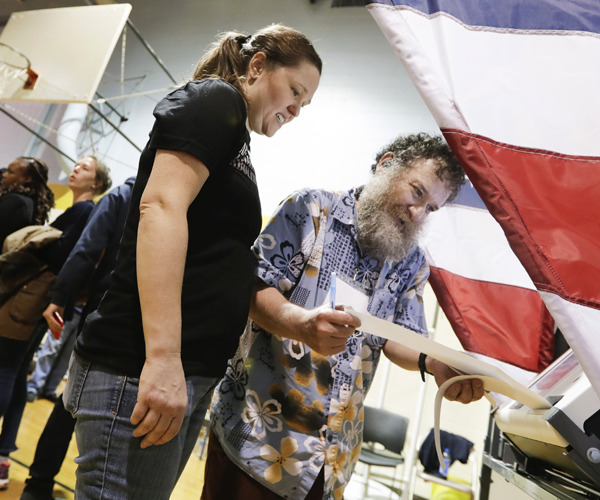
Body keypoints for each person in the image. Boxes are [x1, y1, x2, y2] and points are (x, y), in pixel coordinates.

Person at [64, 24, 322, 500]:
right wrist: (162, 359)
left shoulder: (236, 137)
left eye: (304, 104)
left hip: (187, 370)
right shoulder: (215, 101)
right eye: (295, 91)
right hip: (139, 363)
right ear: (258, 65)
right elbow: (160, 208)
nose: (295, 110)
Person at [202, 133, 485, 500]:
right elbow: (252, 288)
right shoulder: (311, 210)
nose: (418, 213)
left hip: (332, 457)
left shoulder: (411, 262)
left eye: (431, 208)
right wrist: (300, 325)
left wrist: (432, 362)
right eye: (417, 192)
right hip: (258, 435)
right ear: (386, 165)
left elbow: (398, 339)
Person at [18, 177, 135, 500]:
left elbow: (87, 249)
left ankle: (38, 483)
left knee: (72, 398)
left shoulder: (123, 195)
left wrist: (59, 297)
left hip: (106, 309)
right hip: (144, 320)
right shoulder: (184, 201)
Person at [0, 155, 111, 491]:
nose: (76, 169)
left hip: (35, 296)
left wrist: (37, 237)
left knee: (6, 367)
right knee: (17, 373)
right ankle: (4, 454)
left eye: (85, 168)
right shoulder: (82, 211)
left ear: (95, 182)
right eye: (77, 165)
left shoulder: (85, 211)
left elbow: (63, 252)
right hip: (40, 298)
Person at [0, 157, 54, 249]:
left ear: (27, 178)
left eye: (10, 172)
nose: (4, 175)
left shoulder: (16, 202)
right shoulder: (31, 201)